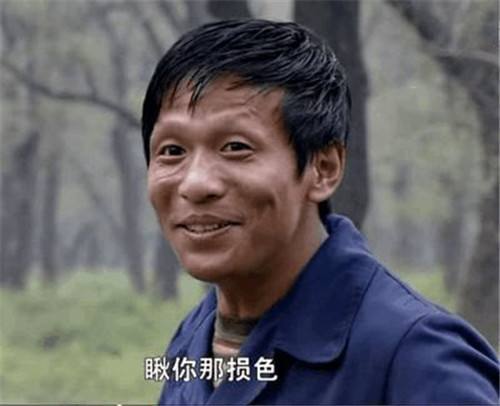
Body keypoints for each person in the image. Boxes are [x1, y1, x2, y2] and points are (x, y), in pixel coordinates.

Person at [141, 19, 499, 405]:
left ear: (323, 168)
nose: (196, 184)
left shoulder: (417, 358)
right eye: (172, 151)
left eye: (235, 147)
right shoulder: (194, 338)